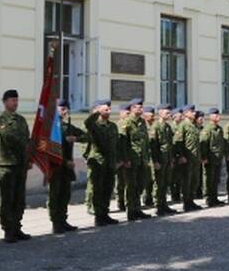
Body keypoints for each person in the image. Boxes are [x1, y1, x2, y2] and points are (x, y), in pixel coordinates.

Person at [0, 89, 31, 243]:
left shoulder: (21, 120)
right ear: (5, 102)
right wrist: (27, 147)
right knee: (7, 198)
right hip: (7, 164)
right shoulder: (1, 120)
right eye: (12, 100)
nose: (15, 103)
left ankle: (17, 227)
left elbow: (27, 138)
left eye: (16, 100)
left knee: (19, 198)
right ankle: (8, 229)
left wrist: (28, 158)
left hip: (20, 164)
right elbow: (9, 137)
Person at [49, 99, 85, 233]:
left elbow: (86, 136)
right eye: (61, 108)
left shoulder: (67, 127)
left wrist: (76, 138)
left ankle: (63, 220)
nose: (65, 111)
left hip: (67, 167)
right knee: (55, 195)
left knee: (65, 194)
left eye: (66, 108)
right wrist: (65, 162)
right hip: (56, 166)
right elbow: (50, 150)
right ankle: (56, 223)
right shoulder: (51, 128)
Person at [84, 98, 120, 226]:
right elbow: (87, 122)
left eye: (109, 109)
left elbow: (116, 145)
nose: (109, 111)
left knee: (107, 189)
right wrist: (96, 113)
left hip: (110, 162)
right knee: (98, 190)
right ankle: (98, 216)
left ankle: (105, 214)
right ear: (98, 110)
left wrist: (118, 160)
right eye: (106, 109)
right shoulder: (94, 125)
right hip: (98, 163)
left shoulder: (112, 126)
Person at [122, 99, 153, 221]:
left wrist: (147, 157)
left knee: (141, 184)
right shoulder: (127, 123)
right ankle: (131, 211)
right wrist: (126, 159)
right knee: (131, 186)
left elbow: (145, 142)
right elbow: (123, 143)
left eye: (141, 107)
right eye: (137, 107)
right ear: (131, 109)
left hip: (142, 159)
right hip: (132, 159)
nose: (140, 109)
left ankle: (137, 209)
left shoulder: (142, 122)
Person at [150, 103, 177, 216]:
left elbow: (169, 145)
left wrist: (171, 159)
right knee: (158, 183)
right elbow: (153, 146)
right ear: (160, 113)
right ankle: (158, 206)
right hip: (160, 160)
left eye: (169, 112)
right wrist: (155, 161)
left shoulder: (167, 127)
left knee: (165, 183)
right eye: (167, 112)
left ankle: (164, 204)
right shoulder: (156, 126)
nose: (169, 114)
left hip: (167, 160)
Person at [174, 105, 202, 211]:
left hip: (195, 158)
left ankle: (191, 200)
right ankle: (186, 202)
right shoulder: (183, 125)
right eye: (191, 111)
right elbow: (179, 142)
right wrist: (181, 156)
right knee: (187, 181)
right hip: (187, 158)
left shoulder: (194, 125)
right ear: (186, 113)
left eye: (194, 111)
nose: (194, 113)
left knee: (194, 180)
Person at [200, 107, 228, 206]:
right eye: (216, 115)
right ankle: (208, 199)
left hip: (218, 158)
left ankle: (214, 197)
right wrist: (204, 157)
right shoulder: (207, 129)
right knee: (209, 179)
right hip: (210, 158)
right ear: (211, 116)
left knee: (216, 179)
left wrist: (224, 154)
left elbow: (222, 144)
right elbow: (204, 144)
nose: (218, 116)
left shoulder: (219, 129)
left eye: (218, 115)